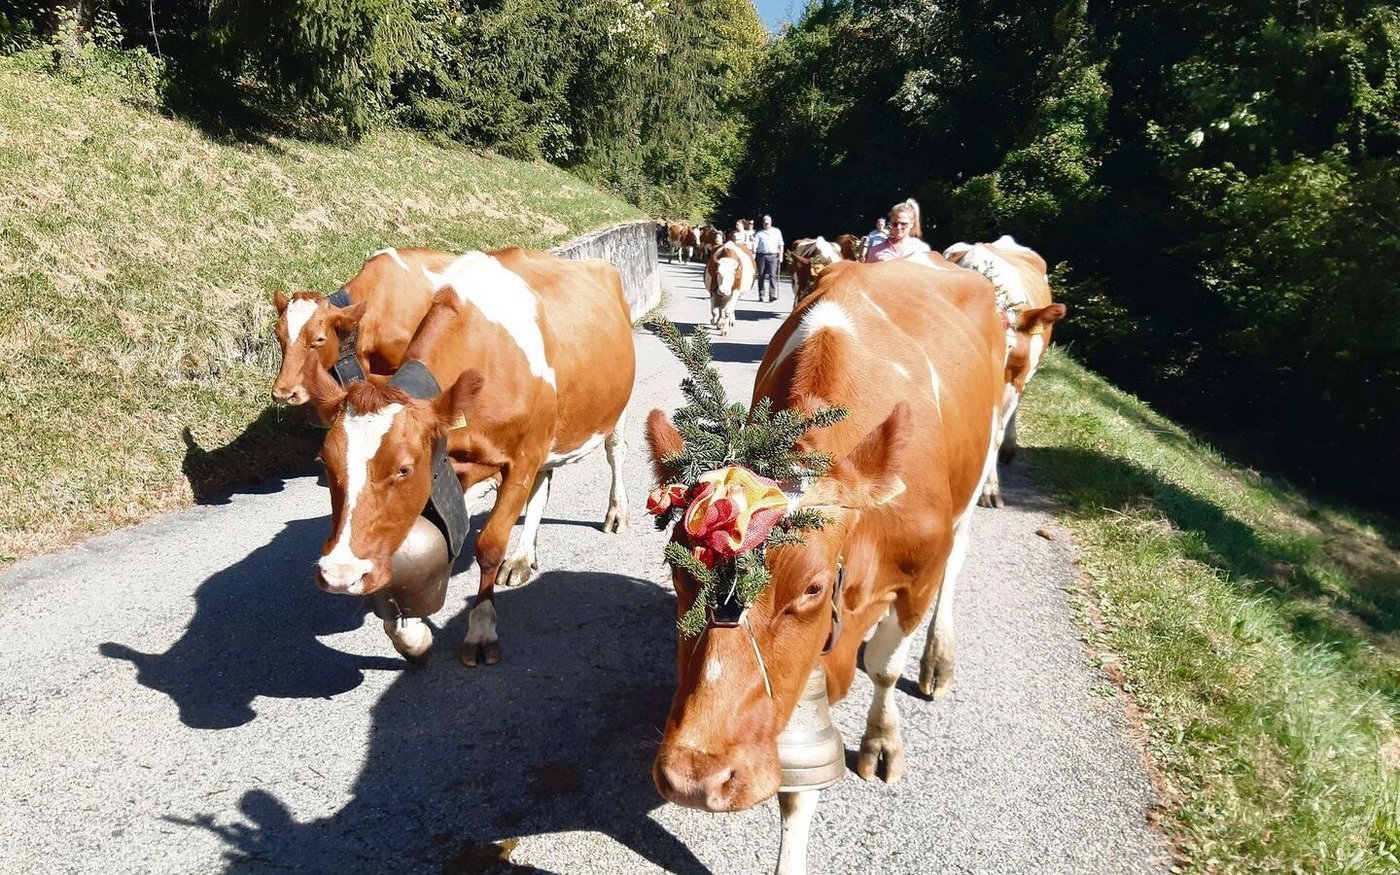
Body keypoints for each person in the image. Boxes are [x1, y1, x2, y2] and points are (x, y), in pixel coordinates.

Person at [864, 199, 931, 262]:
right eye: (895, 224)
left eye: (903, 224)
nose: (898, 227)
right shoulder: (875, 251)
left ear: (912, 224)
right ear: (890, 223)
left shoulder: (921, 249)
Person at [752, 214, 784, 302]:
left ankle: (772, 295)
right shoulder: (759, 234)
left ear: (770, 222)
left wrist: (781, 256)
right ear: (763, 223)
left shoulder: (776, 232)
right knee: (761, 275)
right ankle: (761, 295)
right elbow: (755, 245)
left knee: (772, 275)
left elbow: (781, 244)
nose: (766, 224)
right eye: (765, 223)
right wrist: (753, 252)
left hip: (773, 256)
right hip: (761, 256)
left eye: (767, 223)